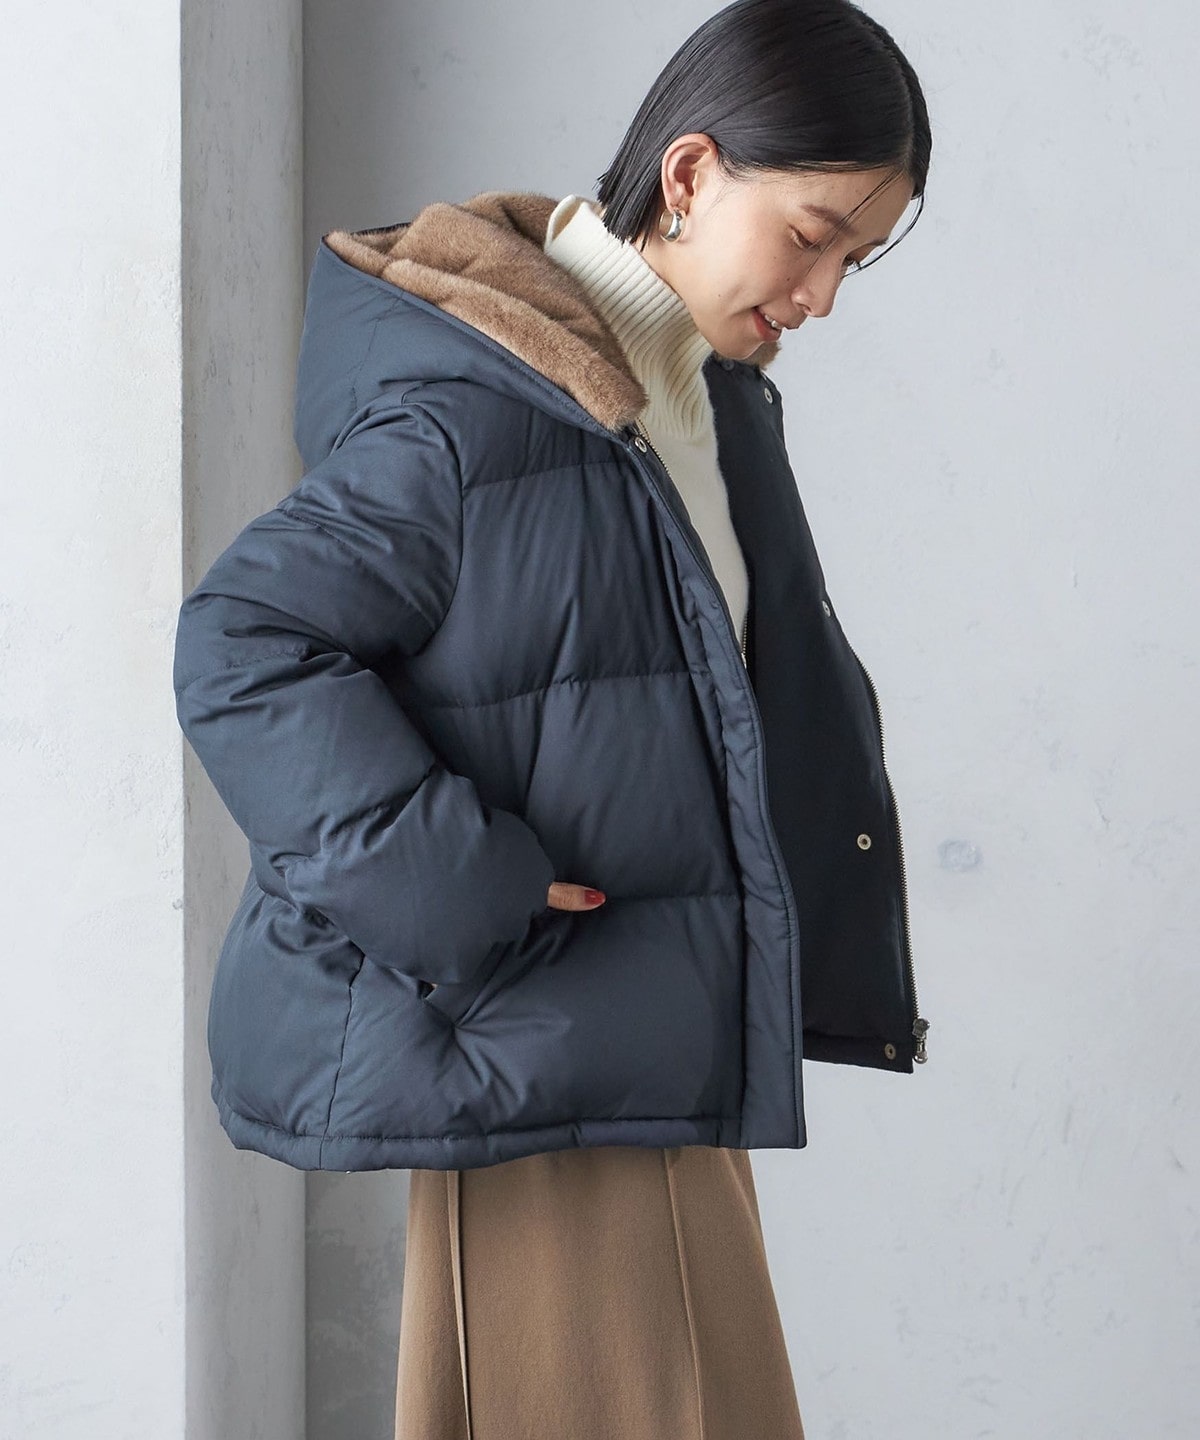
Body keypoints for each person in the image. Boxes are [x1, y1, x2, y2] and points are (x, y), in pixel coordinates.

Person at [171, 0, 933, 1435]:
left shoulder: (689, 405)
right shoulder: (484, 410)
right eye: (813, 235)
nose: (824, 294)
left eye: (858, 258)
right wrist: (461, 888)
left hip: (644, 1054)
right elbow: (243, 641)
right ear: (691, 174)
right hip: (541, 1064)